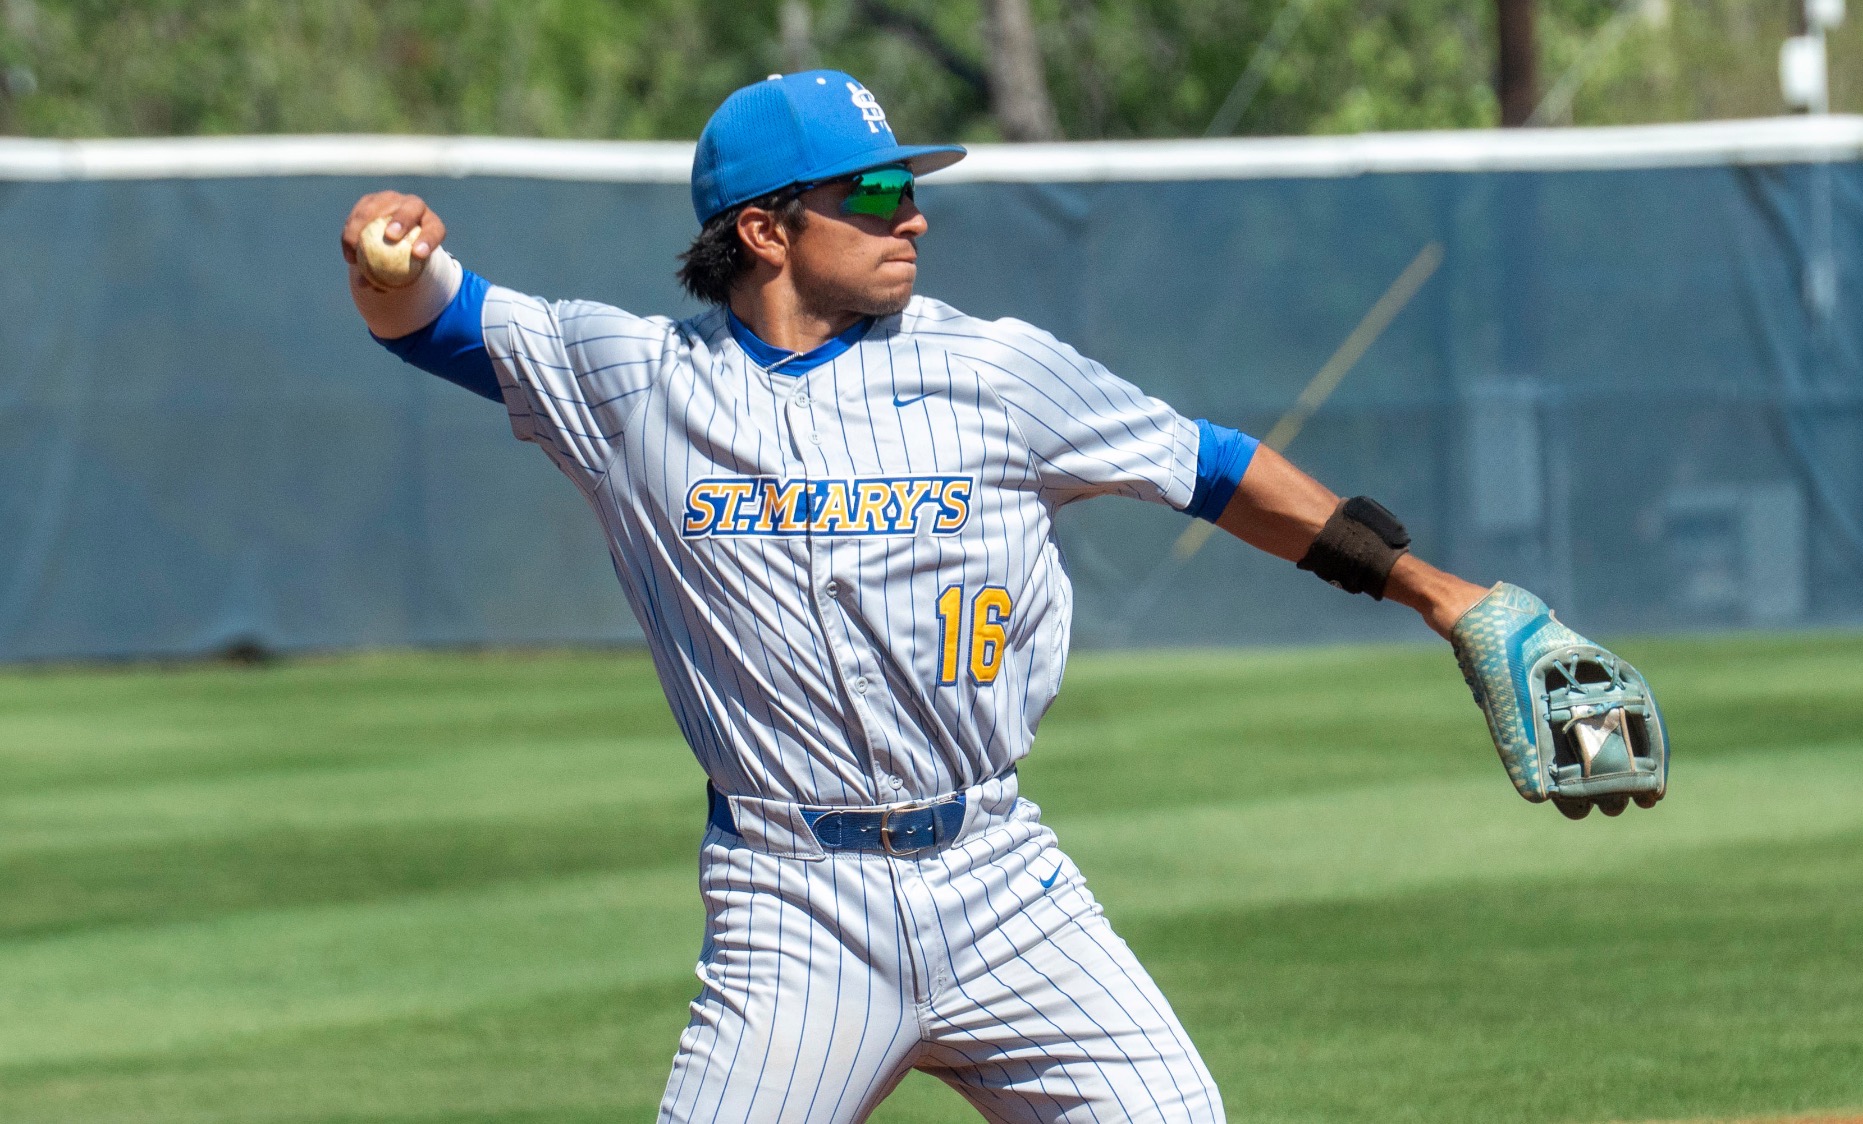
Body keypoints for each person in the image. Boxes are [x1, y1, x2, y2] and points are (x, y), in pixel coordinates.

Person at [345, 70, 1488, 1124]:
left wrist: (1443, 596)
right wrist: (382, 258)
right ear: (763, 229)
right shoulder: (633, 382)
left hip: (1002, 882)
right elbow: (435, 316)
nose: (913, 213)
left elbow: (1216, 468)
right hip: (791, 903)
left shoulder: (994, 368)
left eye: (910, 185)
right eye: (878, 189)